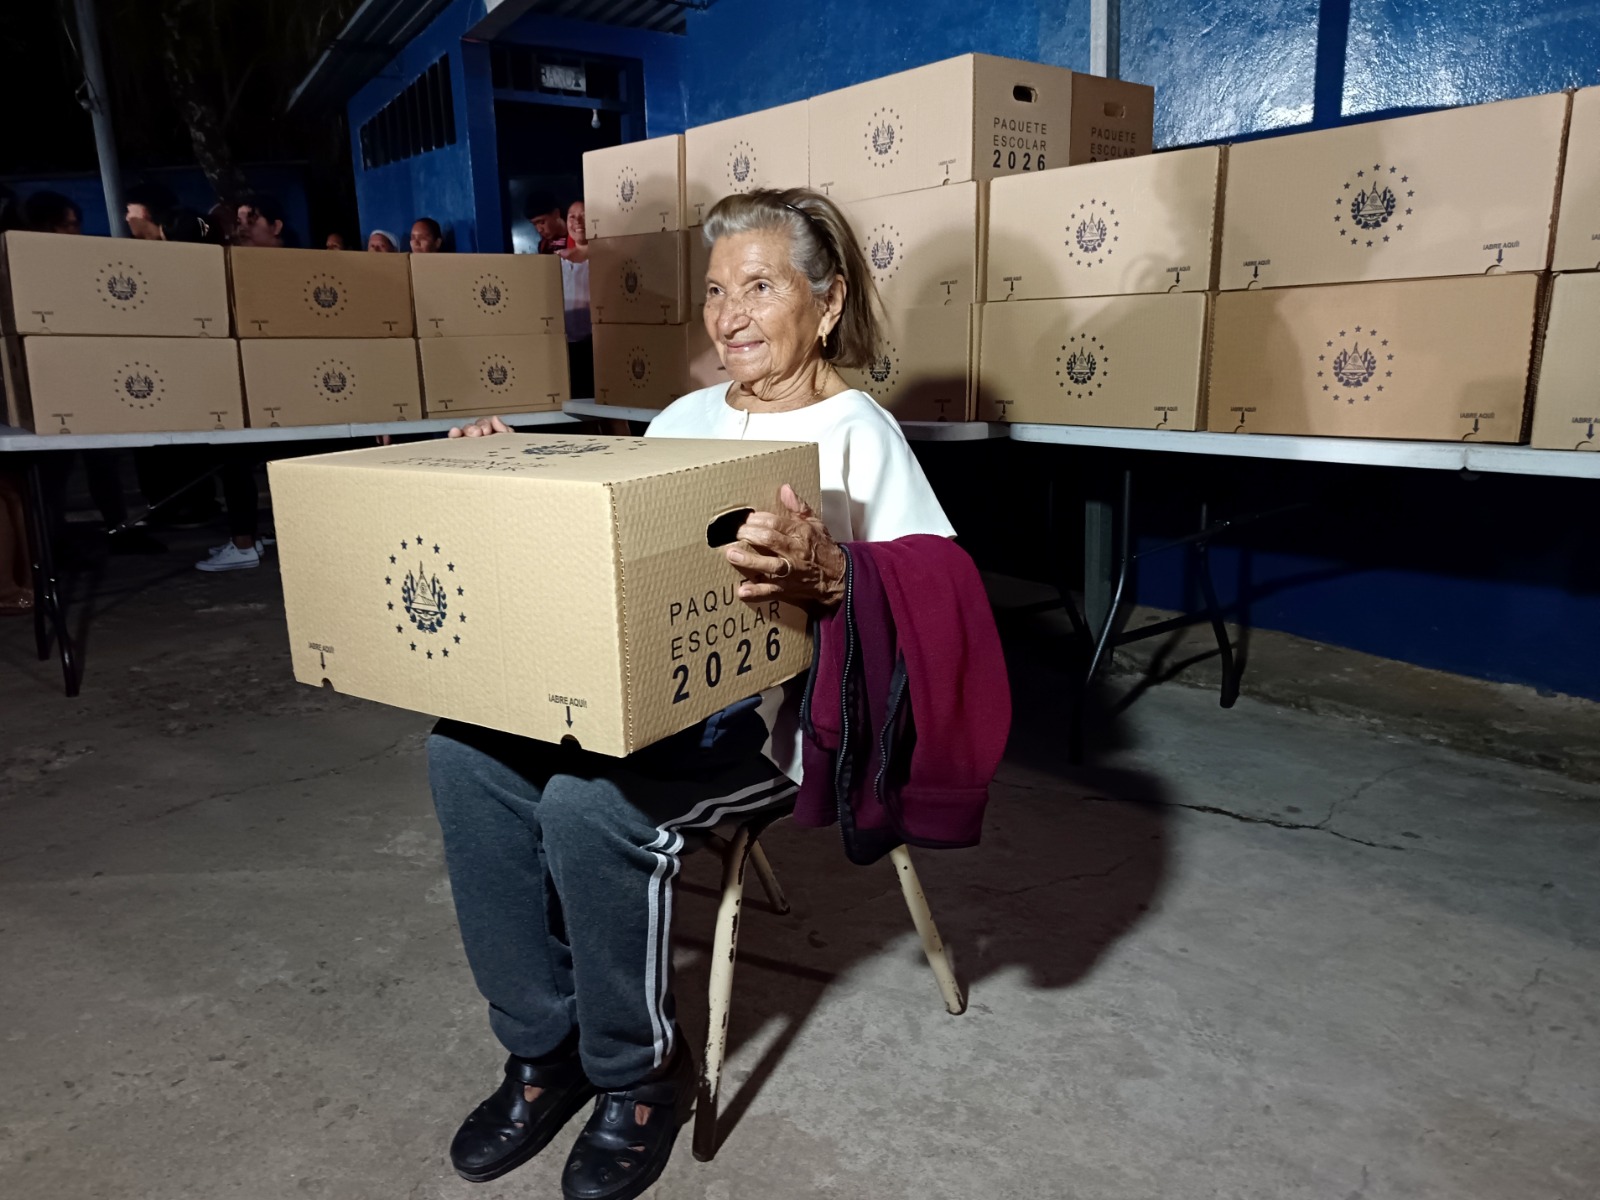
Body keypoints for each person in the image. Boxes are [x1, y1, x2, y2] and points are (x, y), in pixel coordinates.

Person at [430, 187, 954, 1200]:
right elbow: (606, 552)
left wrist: (837, 576)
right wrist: (502, 471)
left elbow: (936, 610)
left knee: (587, 808)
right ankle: (544, 1048)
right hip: (636, 701)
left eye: (759, 287)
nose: (729, 316)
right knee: (462, 757)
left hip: (759, 730)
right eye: (716, 291)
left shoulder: (859, 433)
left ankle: (635, 1074)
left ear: (828, 302)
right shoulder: (682, 419)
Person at [557, 199, 593, 398]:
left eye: (584, 215)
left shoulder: (606, 257)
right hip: (565, 348)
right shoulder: (556, 260)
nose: (578, 221)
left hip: (595, 346)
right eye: (572, 216)